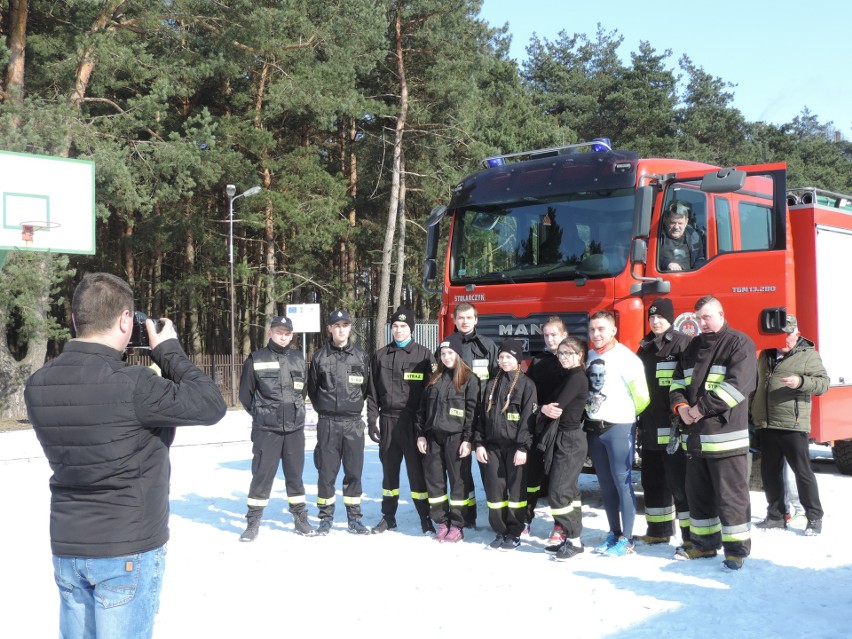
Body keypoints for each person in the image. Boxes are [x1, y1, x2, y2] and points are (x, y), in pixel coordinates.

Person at [24, 272, 227, 639]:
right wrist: (168, 351)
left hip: (69, 545)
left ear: (75, 320)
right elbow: (211, 405)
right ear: (125, 321)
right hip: (126, 548)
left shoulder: (38, 384)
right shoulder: (136, 384)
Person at [670, 295, 756, 570]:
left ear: (721, 314)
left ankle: (736, 550)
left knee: (731, 497)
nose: (702, 323)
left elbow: (736, 387)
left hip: (725, 439)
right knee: (699, 496)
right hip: (695, 440)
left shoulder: (739, 343)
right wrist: (680, 406)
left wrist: (698, 410)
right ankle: (704, 545)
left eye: (706, 317)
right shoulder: (693, 346)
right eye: (698, 319)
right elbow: (676, 382)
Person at [238, 315, 314, 541]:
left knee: (295, 476)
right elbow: (245, 396)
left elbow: (303, 391)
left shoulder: (298, 359)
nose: (283, 336)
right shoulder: (256, 359)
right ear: (270, 332)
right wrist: (263, 414)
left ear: (292, 335)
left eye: (287, 333)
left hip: (294, 429)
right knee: (261, 476)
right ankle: (253, 521)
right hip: (266, 430)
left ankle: (300, 518)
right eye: (279, 332)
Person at [752, 315, 828, 536]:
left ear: (797, 333)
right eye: (782, 335)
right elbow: (757, 386)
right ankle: (775, 516)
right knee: (769, 472)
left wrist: (801, 382)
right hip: (766, 422)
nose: (786, 339)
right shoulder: (765, 354)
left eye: (790, 335)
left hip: (792, 424)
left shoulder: (808, 355)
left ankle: (814, 517)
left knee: (802, 472)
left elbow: (823, 384)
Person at [585, 310, 650, 557]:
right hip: (595, 429)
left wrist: (625, 416)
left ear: (613, 330)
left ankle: (628, 538)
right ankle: (613, 533)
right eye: (592, 330)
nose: (596, 334)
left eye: (601, 329)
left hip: (619, 428)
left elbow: (643, 397)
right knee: (606, 485)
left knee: (622, 483)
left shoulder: (627, 358)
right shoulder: (589, 357)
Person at [366, 306, 436, 534]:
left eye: (403, 326)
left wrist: (425, 428)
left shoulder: (424, 356)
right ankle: (388, 516)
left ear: (411, 329)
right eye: (395, 326)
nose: (398, 330)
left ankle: (425, 517)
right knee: (389, 473)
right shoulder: (380, 355)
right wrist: (372, 421)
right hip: (388, 421)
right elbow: (372, 392)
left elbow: (431, 394)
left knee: (417, 473)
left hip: (413, 424)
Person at [307, 308, 371, 535]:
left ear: (350, 328)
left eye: (345, 325)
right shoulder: (320, 356)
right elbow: (313, 390)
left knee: (354, 472)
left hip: (353, 423)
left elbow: (365, 389)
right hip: (328, 423)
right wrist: (327, 410)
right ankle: (325, 518)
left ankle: (354, 518)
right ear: (330, 329)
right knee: (326, 473)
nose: (341, 329)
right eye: (337, 326)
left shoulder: (361, 356)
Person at [635, 298, 693, 547]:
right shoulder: (645, 347)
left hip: (673, 428)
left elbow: (691, 383)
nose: (656, 321)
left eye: (660, 317)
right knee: (652, 482)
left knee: (680, 485)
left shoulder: (683, 343)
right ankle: (658, 531)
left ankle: (692, 536)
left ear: (670, 319)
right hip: (649, 426)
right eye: (652, 317)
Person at [416, 333, 480, 543]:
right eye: (443, 353)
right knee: (435, 483)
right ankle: (442, 522)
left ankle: (458, 525)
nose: (446, 357)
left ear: (458, 354)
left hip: (456, 439)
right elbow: (422, 410)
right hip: (433, 437)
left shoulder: (469, 379)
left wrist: (467, 440)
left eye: (450, 353)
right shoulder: (434, 378)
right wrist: (421, 435)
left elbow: (472, 413)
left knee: (458, 482)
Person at [475, 339, 537, 551]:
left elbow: (529, 420)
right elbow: (480, 418)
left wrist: (523, 447)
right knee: (494, 491)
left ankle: (514, 532)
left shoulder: (527, 385)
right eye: (501, 357)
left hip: (514, 448)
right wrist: (479, 443)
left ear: (518, 360)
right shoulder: (491, 384)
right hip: (491, 447)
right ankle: (500, 530)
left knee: (516, 494)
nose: (504, 361)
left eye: (509, 357)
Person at [539, 336, 590, 561]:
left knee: (558, 493)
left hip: (570, 440)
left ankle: (575, 540)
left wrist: (540, 407)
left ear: (579, 356)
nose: (563, 357)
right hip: (564, 438)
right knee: (570, 493)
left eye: (568, 353)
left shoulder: (577, 378)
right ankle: (571, 539)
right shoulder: (568, 376)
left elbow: (556, 407)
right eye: (560, 354)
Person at [453, 302, 499, 528]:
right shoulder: (448, 346)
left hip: (482, 417)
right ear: (454, 320)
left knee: (488, 470)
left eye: (468, 318)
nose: (464, 321)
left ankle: (496, 519)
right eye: (460, 317)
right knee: (461, 472)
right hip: (456, 417)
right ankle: (467, 516)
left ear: (476, 320)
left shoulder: (487, 346)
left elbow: (498, 379)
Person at [525, 316, 569, 541]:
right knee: (531, 477)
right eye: (546, 335)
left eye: (554, 334)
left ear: (564, 335)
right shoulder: (538, 362)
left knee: (558, 480)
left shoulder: (571, 361)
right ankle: (525, 519)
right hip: (540, 424)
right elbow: (528, 395)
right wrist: (540, 409)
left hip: (562, 428)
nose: (550, 339)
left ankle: (560, 525)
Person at [659, 200, 705, 271]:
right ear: (666, 220)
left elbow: (700, 258)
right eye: (673, 222)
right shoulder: (656, 237)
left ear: (686, 222)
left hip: (688, 278)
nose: (676, 227)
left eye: (680, 223)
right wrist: (666, 263)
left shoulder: (694, 237)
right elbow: (646, 256)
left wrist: (696, 271)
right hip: (663, 279)